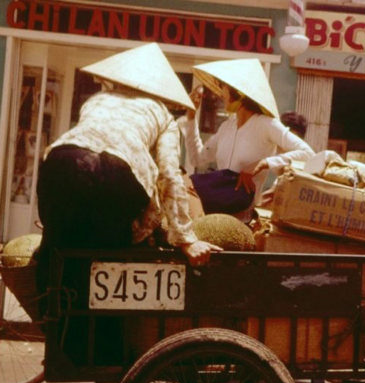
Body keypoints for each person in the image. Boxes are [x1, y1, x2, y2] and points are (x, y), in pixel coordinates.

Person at [36, 43, 222, 294]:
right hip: (116, 173)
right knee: (108, 258)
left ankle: (54, 321)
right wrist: (185, 238)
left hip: (61, 161)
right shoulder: (163, 116)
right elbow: (169, 174)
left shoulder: (97, 100)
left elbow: (83, 155)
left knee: (58, 252)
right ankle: (101, 326)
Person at [179, 58, 315, 214]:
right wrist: (191, 117)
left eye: (224, 87)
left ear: (239, 93)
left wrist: (265, 162)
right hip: (215, 211)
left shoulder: (265, 124)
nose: (221, 93)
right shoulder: (227, 126)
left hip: (243, 217)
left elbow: (307, 153)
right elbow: (197, 158)